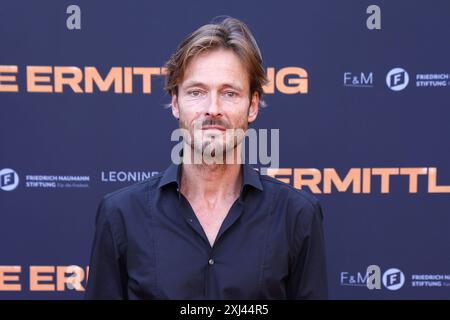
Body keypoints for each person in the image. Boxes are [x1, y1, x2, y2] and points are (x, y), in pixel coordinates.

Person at [85, 16, 328, 299]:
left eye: (229, 93)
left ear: (252, 106)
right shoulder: (121, 215)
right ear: (176, 103)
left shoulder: (296, 216)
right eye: (197, 92)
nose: (213, 108)